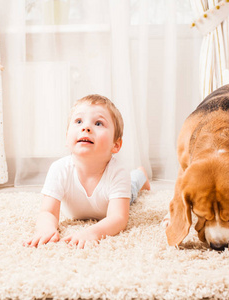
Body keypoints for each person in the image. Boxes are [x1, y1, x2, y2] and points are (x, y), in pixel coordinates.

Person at [23, 94, 150, 249]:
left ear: (116, 145)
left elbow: (118, 218)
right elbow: (48, 211)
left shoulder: (118, 172)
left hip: (117, 192)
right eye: (78, 121)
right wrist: (46, 228)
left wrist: (93, 232)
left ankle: (141, 174)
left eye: (98, 123)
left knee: (132, 187)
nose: (86, 127)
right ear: (66, 138)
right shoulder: (59, 169)